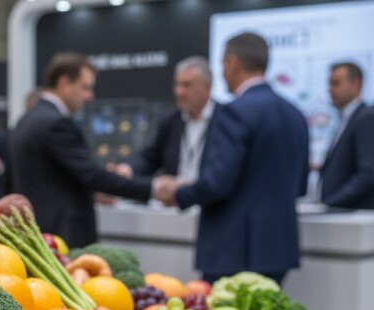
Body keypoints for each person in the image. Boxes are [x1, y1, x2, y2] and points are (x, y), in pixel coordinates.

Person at [157, 32, 309, 285]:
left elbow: (217, 182)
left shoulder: (234, 112)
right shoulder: (295, 114)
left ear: (233, 63)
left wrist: (178, 194)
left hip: (234, 252)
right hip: (278, 250)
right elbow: (300, 185)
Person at [10, 52, 166, 248]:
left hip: (39, 232)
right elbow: (92, 175)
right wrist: (152, 188)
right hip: (61, 237)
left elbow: (51, 179)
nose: (89, 96)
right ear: (65, 83)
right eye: (85, 88)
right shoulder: (56, 123)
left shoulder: (27, 119)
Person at [117, 57, 221, 183]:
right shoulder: (171, 122)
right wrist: (129, 169)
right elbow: (151, 157)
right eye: (177, 84)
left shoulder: (225, 120)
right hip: (174, 200)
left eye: (187, 85)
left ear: (207, 87)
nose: (179, 91)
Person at [319, 62, 374, 209]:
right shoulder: (346, 119)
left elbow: (368, 174)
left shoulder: (366, 118)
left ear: (356, 83)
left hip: (355, 218)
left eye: (336, 83)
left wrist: (331, 203)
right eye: (330, 84)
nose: (330, 90)